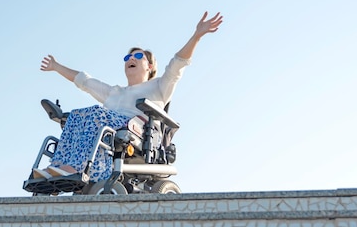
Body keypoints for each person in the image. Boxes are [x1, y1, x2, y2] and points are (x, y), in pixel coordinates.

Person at [35, 11, 223, 182]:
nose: (130, 59)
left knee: (96, 114)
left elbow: (177, 65)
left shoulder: (158, 86)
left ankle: (76, 168)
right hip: (109, 127)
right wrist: (56, 66)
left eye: (138, 56)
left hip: (136, 128)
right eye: (127, 58)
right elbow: (85, 81)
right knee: (76, 115)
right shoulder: (115, 92)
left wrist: (196, 36)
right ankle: (57, 169)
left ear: (149, 66)